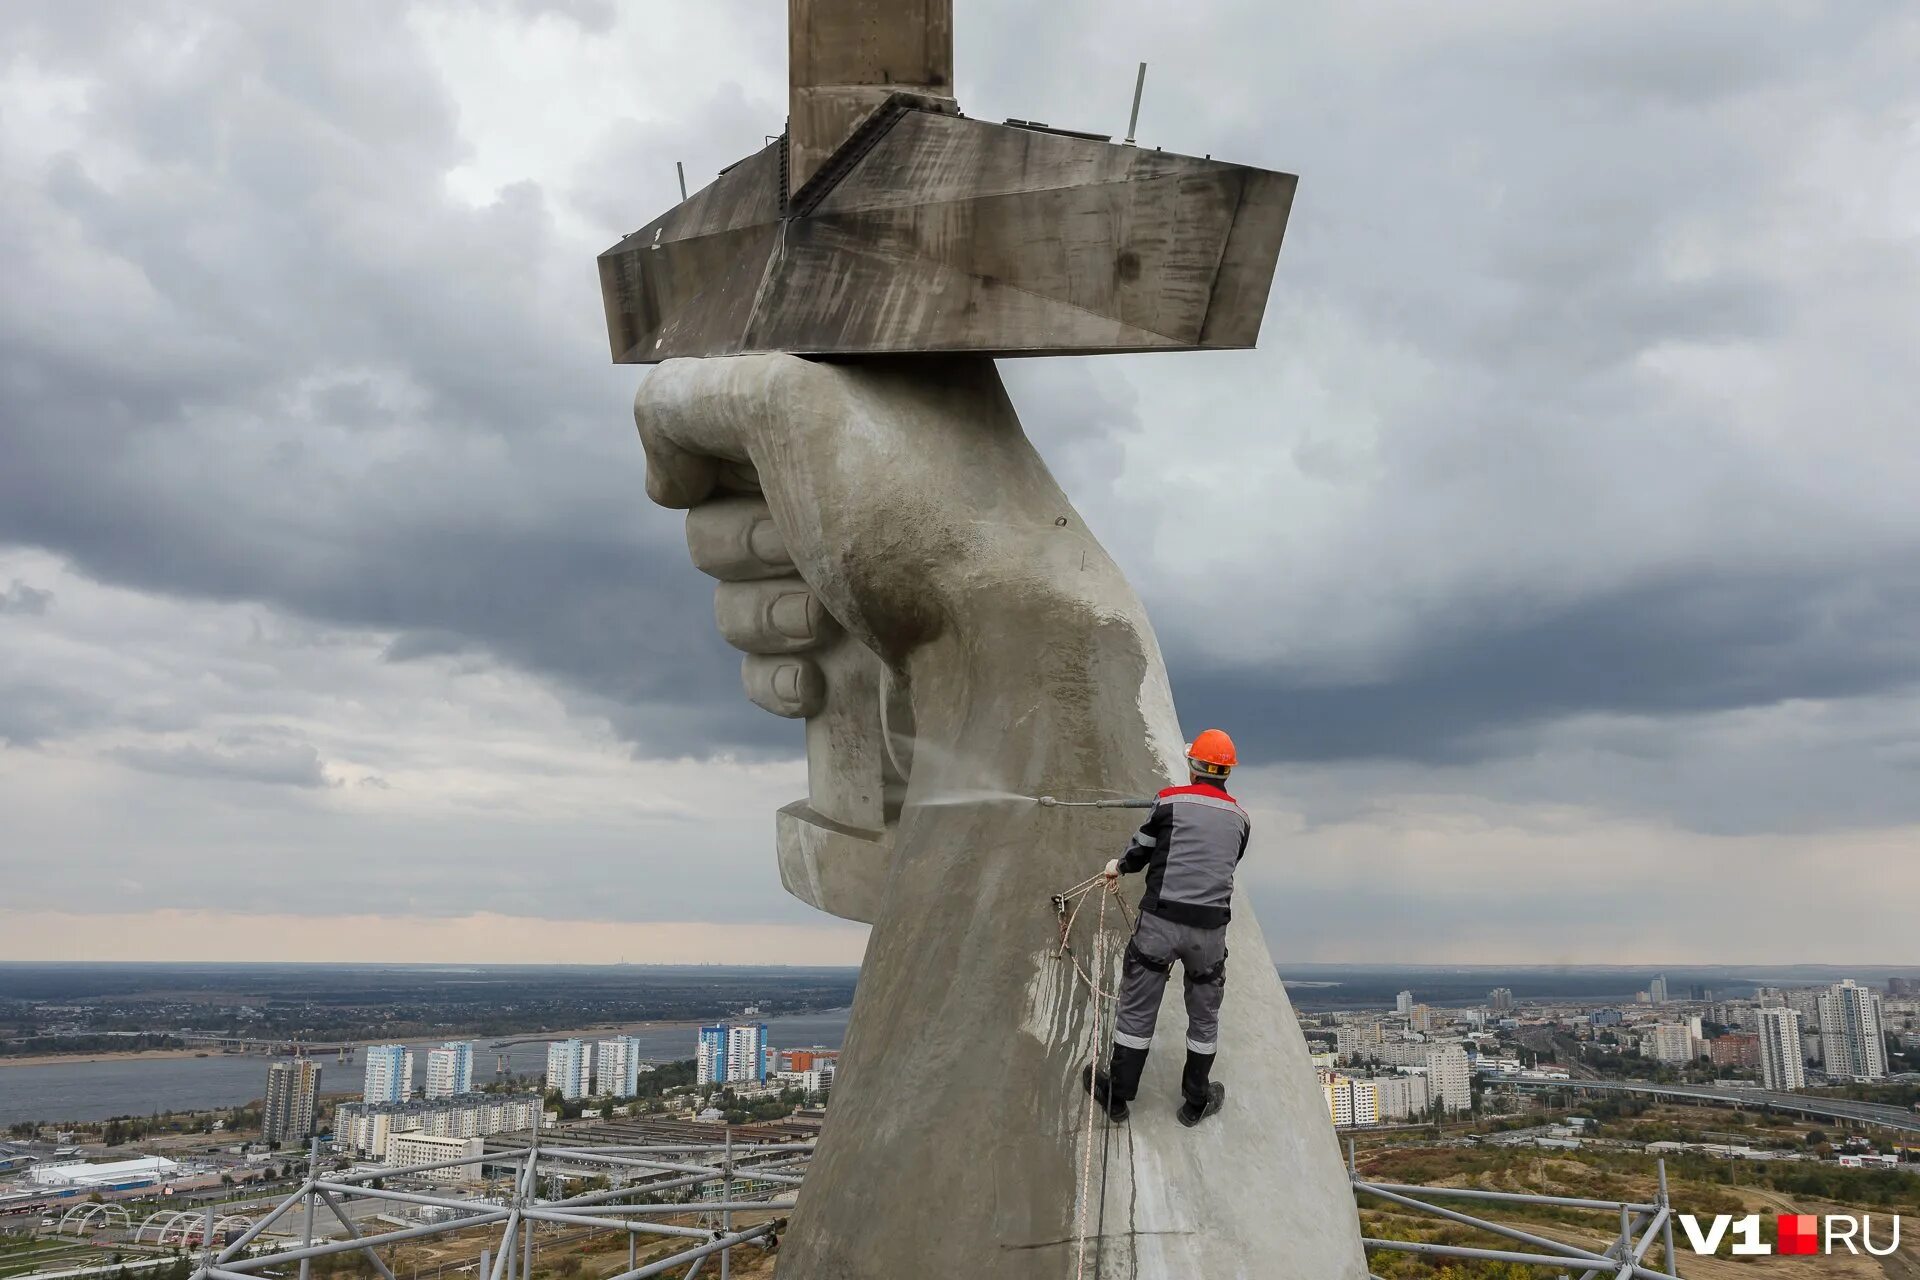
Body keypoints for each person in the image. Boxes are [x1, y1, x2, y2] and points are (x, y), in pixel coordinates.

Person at [1083, 728, 1247, 1126]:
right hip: (1209, 933)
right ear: (1227, 773)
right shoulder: (1241, 818)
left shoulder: (1170, 800)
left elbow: (1140, 849)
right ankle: (1196, 1101)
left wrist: (1117, 867)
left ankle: (1117, 1096)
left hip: (1162, 922)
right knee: (1204, 1016)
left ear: (1193, 766)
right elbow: (1225, 862)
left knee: (1138, 1008)